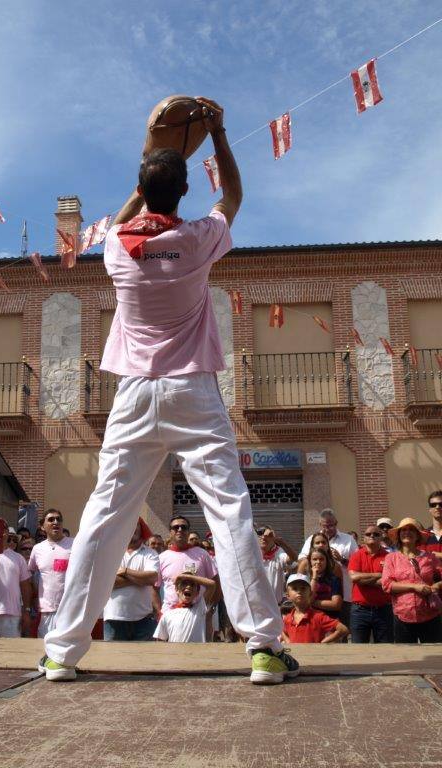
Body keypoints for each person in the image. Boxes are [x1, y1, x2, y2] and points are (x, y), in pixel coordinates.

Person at [41, 97, 298, 685]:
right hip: (193, 391)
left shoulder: (113, 248)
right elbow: (233, 196)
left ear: (140, 188)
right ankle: (262, 646)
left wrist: (146, 165)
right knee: (229, 511)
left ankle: (61, 653)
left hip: (133, 394)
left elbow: (129, 214)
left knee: (105, 517)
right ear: (185, 191)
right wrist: (220, 135)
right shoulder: (201, 237)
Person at [381, 517, 442, 643]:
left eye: (411, 530)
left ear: (418, 536)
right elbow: (387, 585)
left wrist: (436, 586)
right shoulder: (391, 558)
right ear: (399, 535)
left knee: (436, 659)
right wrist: (414, 586)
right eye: (403, 530)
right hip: (403, 617)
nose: (407, 532)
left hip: (430, 616)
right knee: (406, 659)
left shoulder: (430, 557)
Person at [103, 519, 160, 641]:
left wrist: (125, 571)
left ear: (141, 529)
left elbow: (152, 578)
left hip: (144, 620)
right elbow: (107, 582)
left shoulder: (150, 553)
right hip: (114, 619)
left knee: (144, 659)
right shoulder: (110, 552)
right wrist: (140, 579)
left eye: (136, 525)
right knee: (113, 660)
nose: (132, 528)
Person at [298, 510, 357, 626]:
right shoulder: (311, 539)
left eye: (332, 525)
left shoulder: (348, 540)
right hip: (313, 594)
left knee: (340, 630)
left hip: (343, 595)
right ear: (320, 524)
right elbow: (301, 561)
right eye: (325, 525)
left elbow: (357, 564)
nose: (329, 528)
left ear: (336, 523)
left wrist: (342, 560)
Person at [28, 509, 74, 638]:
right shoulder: (37, 549)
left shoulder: (75, 544)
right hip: (46, 611)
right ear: (42, 527)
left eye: (58, 519)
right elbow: (29, 576)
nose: (55, 522)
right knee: (45, 651)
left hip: (69, 610)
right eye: (51, 519)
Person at [348, 524, 393, 643]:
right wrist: (380, 574)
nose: (372, 536)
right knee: (359, 650)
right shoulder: (356, 555)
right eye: (368, 534)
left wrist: (363, 580)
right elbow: (354, 577)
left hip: (383, 610)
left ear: (381, 537)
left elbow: (389, 581)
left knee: (386, 649)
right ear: (364, 538)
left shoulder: (389, 557)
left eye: (376, 534)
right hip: (359, 611)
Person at [282, 574, 349, 644]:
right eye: (295, 589)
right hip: (294, 654)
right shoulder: (287, 618)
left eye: (303, 588)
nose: (299, 591)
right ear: (288, 595)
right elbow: (282, 631)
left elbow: (343, 629)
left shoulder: (318, 616)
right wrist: (288, 642)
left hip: (313, 654)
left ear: (310, 594)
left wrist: (322, 643)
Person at [153, 572, 216, 643]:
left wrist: (187, 576)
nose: (188, 587)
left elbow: (212, 585)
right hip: (176, 653)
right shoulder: (167, 615)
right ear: (177, 589)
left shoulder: (200, 608)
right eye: (184, 583)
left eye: (192, 585)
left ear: (197, 592)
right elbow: (160, 640)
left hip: (197, 653)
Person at [256, 525, 297, 604]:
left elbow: (293, 558)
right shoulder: (252, 553)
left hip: (276, 606)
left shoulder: (279, 553)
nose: (263, 537)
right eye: (260, 534)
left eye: (268, 536)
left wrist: (281, 542)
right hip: (257, 606)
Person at [306, 548, 343, 619]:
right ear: (310, 561)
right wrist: (314, 577)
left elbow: (336, 604)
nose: (318, 562)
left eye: (321, 559)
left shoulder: (334, 579)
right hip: (311, 619)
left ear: (327, 561)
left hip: (329, 619)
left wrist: (312, 602)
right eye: (315, 559)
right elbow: (309, 598)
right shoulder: (305, 579)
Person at [423, 490, 442, 563]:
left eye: (441, 504)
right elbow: (419, 557)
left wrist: (431, 554)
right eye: (433, 505)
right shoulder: (423, 535)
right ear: (429, 509)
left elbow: (424, 555)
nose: (437, 507)